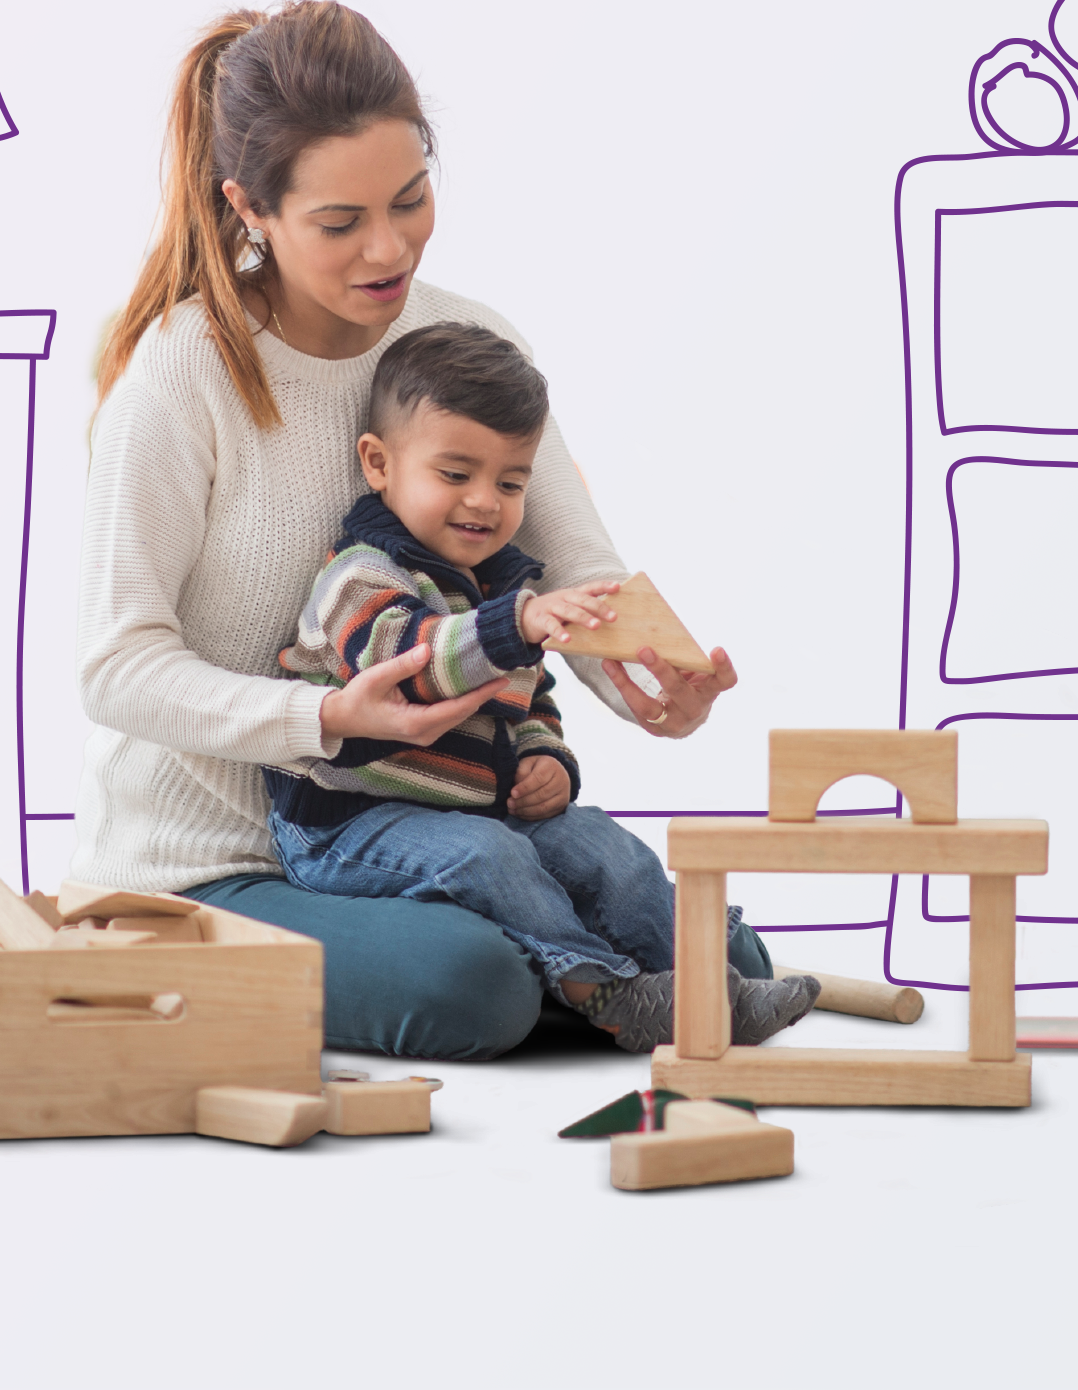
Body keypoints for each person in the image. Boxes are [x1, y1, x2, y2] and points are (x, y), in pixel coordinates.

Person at [76, 0, 764, 1060]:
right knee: (471, 986)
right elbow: (116, 667)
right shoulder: (183, 375)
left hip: (446, 827)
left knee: (739, 965)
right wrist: (323, 722)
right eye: (340, 224)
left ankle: (601, 982)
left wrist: (652, 688)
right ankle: (586, 983)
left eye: (411, 199)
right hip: (219, 862)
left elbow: (578, 580)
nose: (387, 248)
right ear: (249, 208)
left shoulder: (469, 339)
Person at [266, 320, 819, 1050]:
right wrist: (516, 624)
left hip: (478, 809)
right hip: (347, 821)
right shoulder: (360, 574)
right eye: (455, 474)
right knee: (491, 858)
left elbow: (530, 696)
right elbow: (417, 661)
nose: (485, 502)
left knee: (601, 844)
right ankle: (608, 991)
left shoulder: (501, 583)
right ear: (379, 463)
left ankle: (707, 984)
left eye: (511, 481)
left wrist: (545, 758)